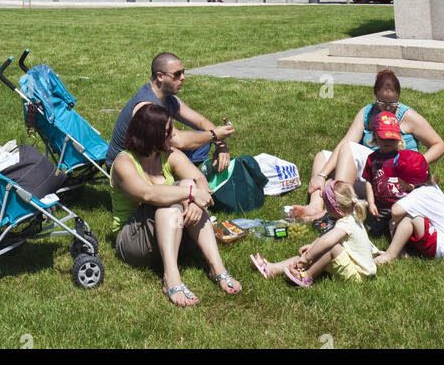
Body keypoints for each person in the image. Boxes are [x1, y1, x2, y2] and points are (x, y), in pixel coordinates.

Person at [110, 102, 242, 306]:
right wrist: (189, 194)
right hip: (134, 243)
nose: (173, 135)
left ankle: (218, 268)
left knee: (189, 184)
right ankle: (171, 278)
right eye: (167, 131)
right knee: (173, 201)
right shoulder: (124, 163)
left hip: (171, 233)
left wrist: (197, 204)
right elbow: (148, 194)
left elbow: (200, 181)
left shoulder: (168, 155)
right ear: (150, 134)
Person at [288, 68, 444, 222]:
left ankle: (338, 209)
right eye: (382, 102)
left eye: (392, 103)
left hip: (393, 176)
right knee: (322, 157)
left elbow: (439, 145)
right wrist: (321, 175)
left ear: (399, 96)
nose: (387, 108)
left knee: (347, 150)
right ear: (375, 94)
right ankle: (315, 205)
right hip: (371, 170)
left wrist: (414, 165)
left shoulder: (408, 116)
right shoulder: (367, 113)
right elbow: (346, 141)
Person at [104, 51, 235, 172]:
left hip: (148, 155)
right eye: (177, 74)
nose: (183, 77)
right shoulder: (147, 106)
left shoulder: (168, 98)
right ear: (160, 76)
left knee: (201, 140)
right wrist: (214, 135)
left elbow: (200, 121)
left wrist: (220, 145)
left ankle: (181, 181)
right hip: (125, 167)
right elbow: (178, 141)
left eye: (183, 72)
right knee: (194, 142)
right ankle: (181, 183)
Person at [250, 179, 376, 287]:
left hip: (358, 275)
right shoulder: (350, 215)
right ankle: (273, 269)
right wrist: (312, 246)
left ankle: (307, 277)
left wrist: (307, 257)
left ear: (335, 208)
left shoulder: (347, 223)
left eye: (327, 205)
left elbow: (328, 241)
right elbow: (328, 236)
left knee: (331, 248)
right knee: (317, 249)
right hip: (354, 267)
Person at [375, 151, 444, 264]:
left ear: (410, 185)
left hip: (441, 248)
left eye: (398, 178)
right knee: (398, 220)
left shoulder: (421, 194)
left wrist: (396, 222)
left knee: (410, 218)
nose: (396, 182)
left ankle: (390, 255)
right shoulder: (430, 187)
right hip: (438, 241)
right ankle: (401, 251)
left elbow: (395, 211)